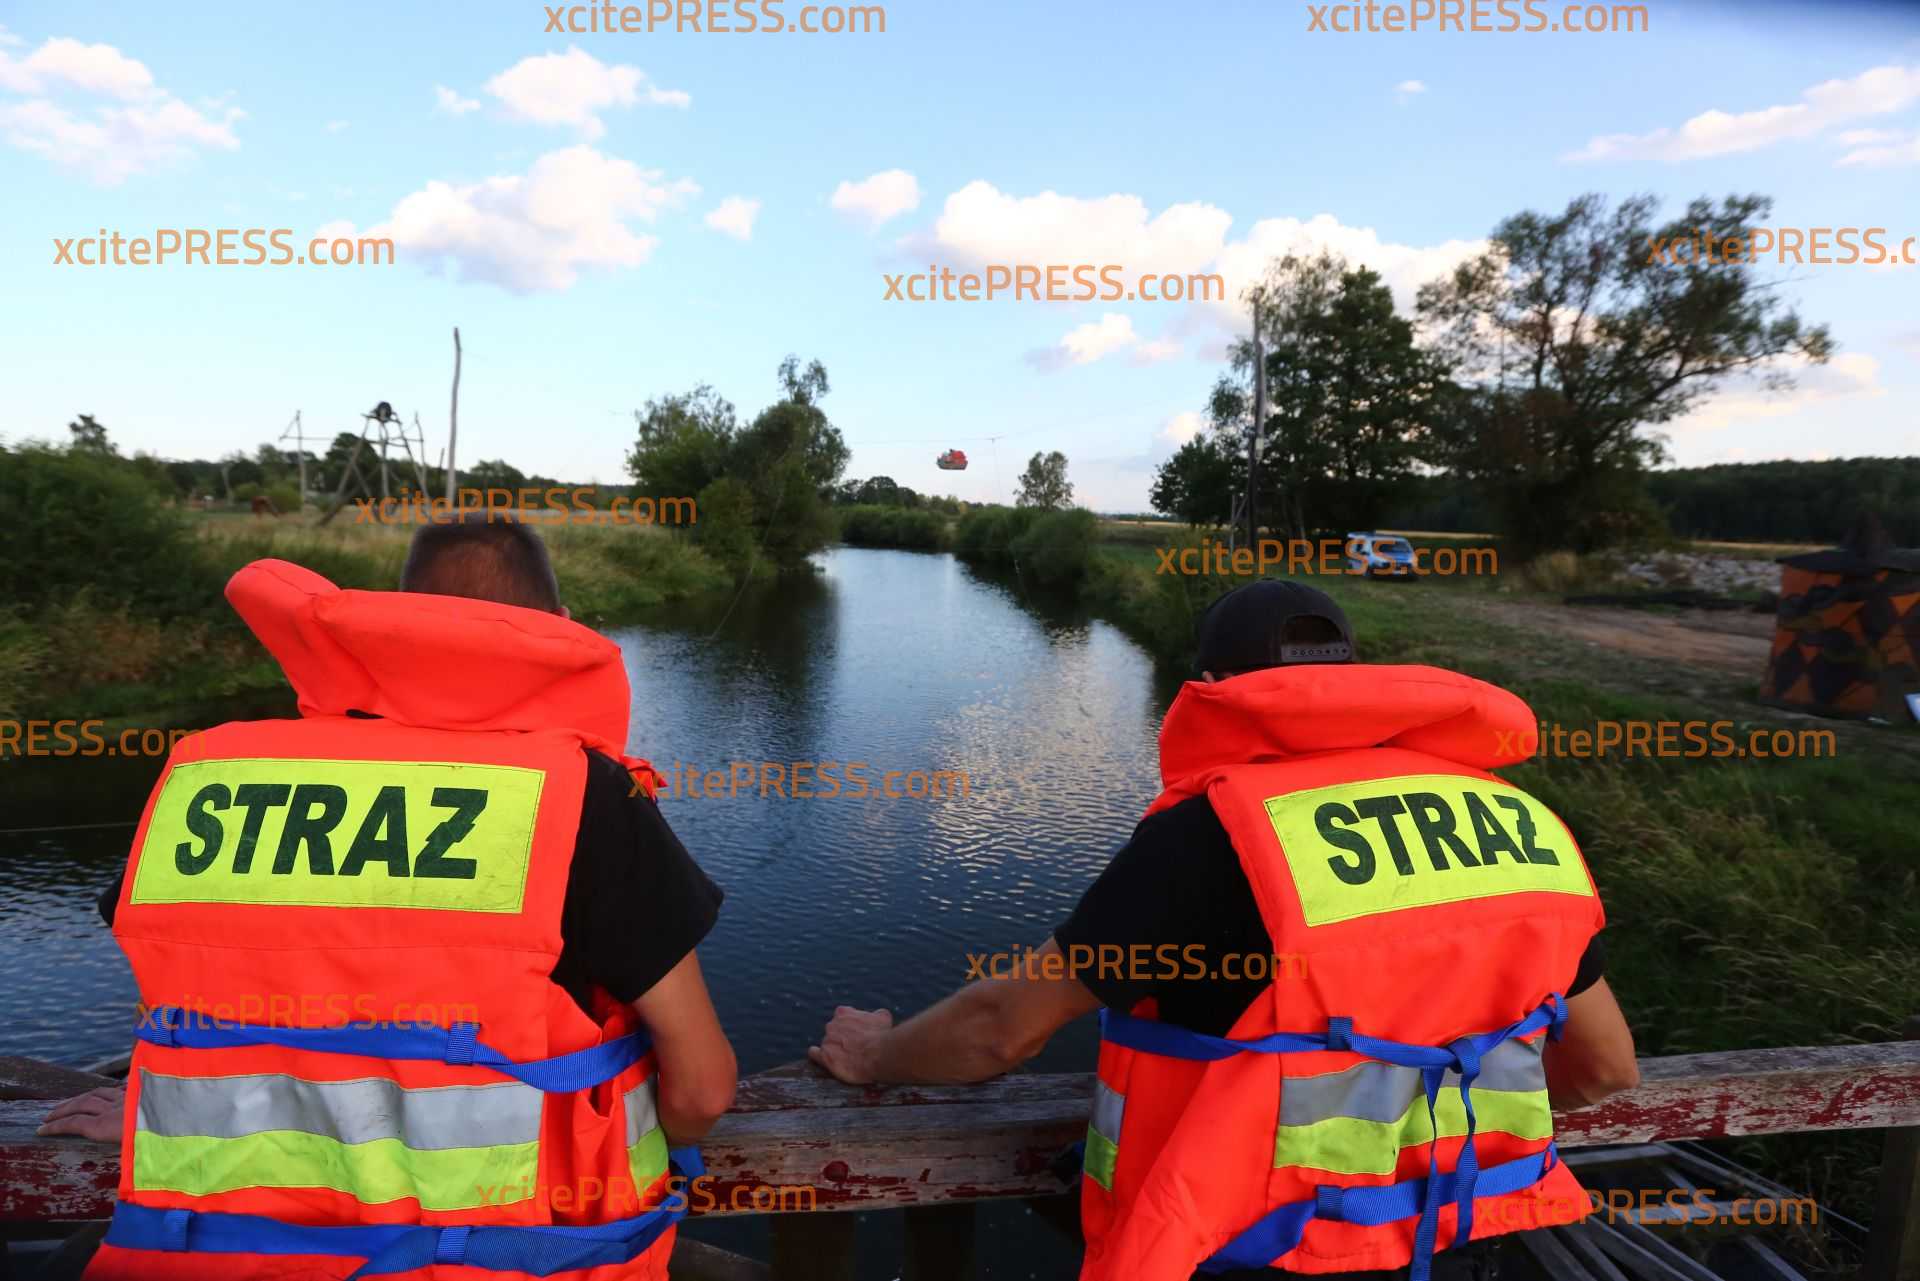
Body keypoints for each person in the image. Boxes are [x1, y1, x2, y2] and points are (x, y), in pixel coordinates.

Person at [812, 579, 1639, 1281]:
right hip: (1461, 1236)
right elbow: (1604, 1066)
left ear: (1209, 685)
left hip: (1257, 1244)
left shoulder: (1215, 832)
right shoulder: (1516, 821)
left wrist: (876, 1054)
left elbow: (1002, 1030)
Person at [40, 513, 736, 1281]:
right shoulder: (582, 796)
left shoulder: (217, 777)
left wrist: (153, 1114)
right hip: (513, 1260)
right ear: (559, 629)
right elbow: (702, 1086)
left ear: (397, 624)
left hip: (225, 1256)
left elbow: (213, 996)